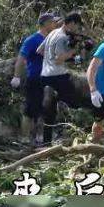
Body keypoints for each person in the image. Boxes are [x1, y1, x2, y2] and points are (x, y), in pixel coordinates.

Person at [39, 11, 90, 144]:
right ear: (72, 23)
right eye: (77, 26)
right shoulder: (62, 37)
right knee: (79, 102)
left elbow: (39, 50)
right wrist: (74, 52)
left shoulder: (52, 33)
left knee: (49, 111)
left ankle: (46, 142)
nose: (77, 30)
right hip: (59, 77)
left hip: (45, 76)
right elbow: (58, 59)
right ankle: (79, 133)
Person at [10, 13, 59, 144]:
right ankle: (24, 138)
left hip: (50, 81)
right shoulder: (32, 40)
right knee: (30, 109)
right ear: (46, 24)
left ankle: (40, 136)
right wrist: (16, 76)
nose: (55, 25)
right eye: (53, 22)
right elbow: (21, 58)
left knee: (46, 109)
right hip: (35, 79)